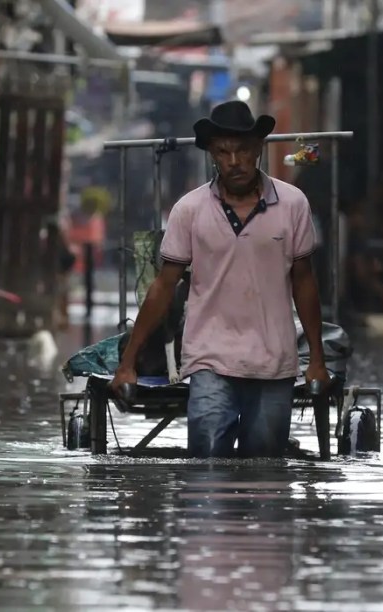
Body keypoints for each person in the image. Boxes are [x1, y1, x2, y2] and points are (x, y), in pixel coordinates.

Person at [110, 100, 329, 459]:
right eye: (223, 152)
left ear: (258, 149)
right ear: (212, 155)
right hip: (209, 357)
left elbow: (304, 282)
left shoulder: (293, 205)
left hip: (274, 360)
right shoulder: (190, 210)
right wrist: (128, 362)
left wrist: (317, 358)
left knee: (264, 467)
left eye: (242, 151)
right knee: (207, 462)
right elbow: (164, 286)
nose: (233, 161)